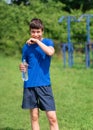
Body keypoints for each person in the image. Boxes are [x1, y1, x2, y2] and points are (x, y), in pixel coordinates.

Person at [19, 18, 59, 130]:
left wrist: (37, 42)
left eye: (38, 31)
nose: (35, 34)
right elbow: (24, 63)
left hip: (44, 84)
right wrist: (22, 66)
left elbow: (50, 52)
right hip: (30, 85)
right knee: (34, 117)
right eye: (33, 32)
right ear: (30, 31)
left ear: (42, 31)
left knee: (52, 118)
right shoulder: (26, 47)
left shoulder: (47, 42)